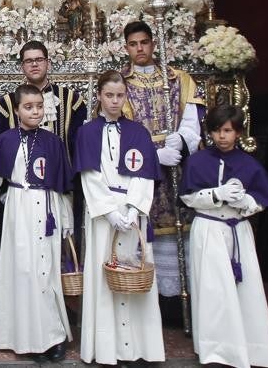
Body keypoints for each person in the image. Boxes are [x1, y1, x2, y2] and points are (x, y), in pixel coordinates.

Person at [0, 84, 73, 363]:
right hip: (19, 210)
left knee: (46, 272)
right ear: (16, 110)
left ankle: (52, 337)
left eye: (39, 106)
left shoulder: (54, 142)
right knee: (25, 272)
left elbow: (63, 186)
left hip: (48, 210)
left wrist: (66, 221)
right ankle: (25, 337)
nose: (35, 111)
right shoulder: (5, 140)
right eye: (28, 107)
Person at [181, 105, 268, 368]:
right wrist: (217, 195)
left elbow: (263, 199)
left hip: (238, 230)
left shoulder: (249, 164)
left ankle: (250, 346)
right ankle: (216, 349)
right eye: (216, 130)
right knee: (213, 290)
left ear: (237, 132)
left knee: (245, 290)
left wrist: (248, 201)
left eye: (227, 131)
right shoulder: (197, 161)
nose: (221, 136)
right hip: (209, 229)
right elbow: (188, 198)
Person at [75, 70, 165, 365]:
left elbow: (145, 174)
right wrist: (110, 212)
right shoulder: (87, 131)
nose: (115, 101)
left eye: (120, 95)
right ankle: (106, 346)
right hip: (104, 215)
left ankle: (138, 346)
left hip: (132, 211)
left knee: (134, 273)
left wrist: (134, 208)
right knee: (104, 276)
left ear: (126, 96)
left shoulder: (138, 132)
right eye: (109, 95)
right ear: (99, 95)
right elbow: (89, 175)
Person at [121, 20, 207, 309]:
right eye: (133, 44)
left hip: (178, 164)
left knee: (181, 228)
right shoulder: (121, 84)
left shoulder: (177, 78)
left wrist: (181, 140)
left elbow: (193, 118)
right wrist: (152, 155)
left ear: (153, 44)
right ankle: (157, 300)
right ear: (126, 48)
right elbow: (119, 130)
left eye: (144, 42)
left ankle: (186, 296)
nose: (139, 48)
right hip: (142, 168)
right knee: (147, 231)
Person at [0, 41, 87, 158]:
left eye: (39, 59)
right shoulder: (5, 105)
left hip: (61, 173)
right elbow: (1, 150)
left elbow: (81, 148)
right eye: (29, 61)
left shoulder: (72, 101)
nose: (34, 64)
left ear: (48, 64)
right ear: (22, 67)